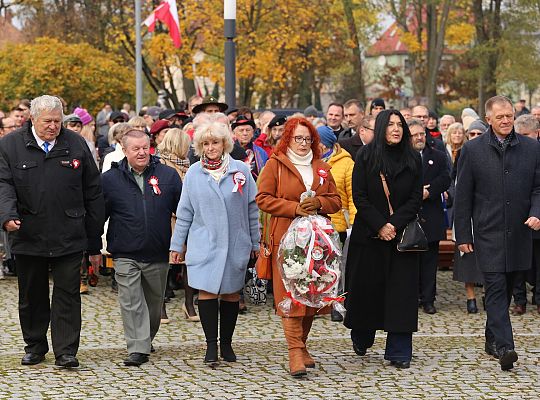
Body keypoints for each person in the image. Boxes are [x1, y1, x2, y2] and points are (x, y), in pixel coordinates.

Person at [0, 95, 104, 368]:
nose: (53, 126)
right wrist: (8, 216)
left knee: (67, 294)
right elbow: (3, 185)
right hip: (27, 232)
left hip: (69, 232)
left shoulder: (76, 143)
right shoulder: (10, 145)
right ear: (32, 119)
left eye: (58, 121)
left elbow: (92, 190)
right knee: (31, 294)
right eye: (47, 121)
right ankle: (34, 345)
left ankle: (66, 350)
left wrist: (94, 240)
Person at [454, 95, 540, 371]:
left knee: (510, 285)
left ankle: (492, 338)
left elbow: (538, 187)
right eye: (499, 116)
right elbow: (463, 195)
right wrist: (463, 235)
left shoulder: (531, 148)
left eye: (509, 116)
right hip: (487, 232)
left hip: (520, 231)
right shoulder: (473, 150)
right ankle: (506, 347)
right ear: (488, 119)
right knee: (495, 289)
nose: (505, 121)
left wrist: (537, 212)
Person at [256, 117, 341, 377]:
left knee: (312, 295)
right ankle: (294, 351)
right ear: (288, 139)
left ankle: (302, 345)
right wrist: (293, 208)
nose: (303, 143)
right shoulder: (275, 165)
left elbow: (336, 201)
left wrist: (319, 203)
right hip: (287, 241)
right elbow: (262, 198)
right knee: (291, 296)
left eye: (308, 139)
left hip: (317, 242)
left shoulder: (322, 167)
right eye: (298, 138)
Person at [170, 121, 260, 364]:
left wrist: (256, 242)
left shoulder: (240, 170)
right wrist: (177, 246)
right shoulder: (193, 174)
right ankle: (211, 346)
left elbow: (252, 209)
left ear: (224, 144)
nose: (211, 147)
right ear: (200, 146)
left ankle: (227, 344)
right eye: (206, 143)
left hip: (235, 242)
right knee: (207, 292)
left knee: (231, 293)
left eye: (215, 142)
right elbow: (184, 212)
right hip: (204, 243)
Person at [344, 109, 422, 369]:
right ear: (380, 128)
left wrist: (393, 224)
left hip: (402, 239)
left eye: (400, 125)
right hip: (370, 236)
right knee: (368, 292)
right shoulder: (366, 155)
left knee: (402, 294)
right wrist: (380, 225)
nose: (396, 129)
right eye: (390, 125)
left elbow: (414, 198)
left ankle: (399, 350)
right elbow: (360, 196)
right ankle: (363, 335)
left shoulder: (413, 158)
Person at [102, 129, 182, 366]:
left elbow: (184, 212)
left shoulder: (168, 176)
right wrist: (93, 245)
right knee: (131, 301)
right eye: (135, 149)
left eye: (145, 147)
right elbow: (98, 214)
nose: (141, 152)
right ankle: (138, 347)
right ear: (124, 151)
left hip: (157, 251)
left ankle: (145, 337)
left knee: (154, 306)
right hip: (125, 251)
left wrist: (183, 242)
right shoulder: (109, 180)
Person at [157, 128, 199, 323]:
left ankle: (189, 304)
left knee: (189, 263)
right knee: (164, 264)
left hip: (187, 220)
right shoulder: (160, 165)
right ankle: (161, 306)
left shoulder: (189, 166)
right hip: (167, 219)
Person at [409, 118, 451, 314]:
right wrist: (417, 192)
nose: (420, 138)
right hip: (410, 217)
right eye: (415, 135)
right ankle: (412, 296)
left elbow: (445, 178)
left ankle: (428, 299)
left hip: (431, 216)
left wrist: (430, 191)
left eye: (421, 134)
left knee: (429, 261)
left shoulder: (439, 156)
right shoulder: (402, 157)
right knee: (410, 261)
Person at [316, 125, 356, 322]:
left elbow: (353, 196)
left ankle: (337, 304)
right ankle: (318, 302)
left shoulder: (346, 163)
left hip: (339, 225)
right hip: (315, 226)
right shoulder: (311, 162)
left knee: (338, 267)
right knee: (317, 266)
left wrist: (354, 225)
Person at [450, 119, 487, 314]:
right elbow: (455, 182)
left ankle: (488, 295)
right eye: (471, 134)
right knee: (467, 259)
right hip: (466, 214)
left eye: (479, 134)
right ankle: (470, 298)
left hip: (486, 215)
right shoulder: (464, 153)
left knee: (488, 259)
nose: (474, 138)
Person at [510, 114, 540, 315]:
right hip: (517, 215)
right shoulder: (512, 152)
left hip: (537, 214)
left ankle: (539, 298)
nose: (521, 138)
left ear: (536, 133)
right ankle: (519, 299)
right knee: (517, 262)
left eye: (526, 135)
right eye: (519, 134)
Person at [232, 115, 268, 180]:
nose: (245, 133)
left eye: (248, 130)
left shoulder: (261, 152)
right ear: (235, 133)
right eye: (241, 130)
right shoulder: (229, 152)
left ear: (252, 133)